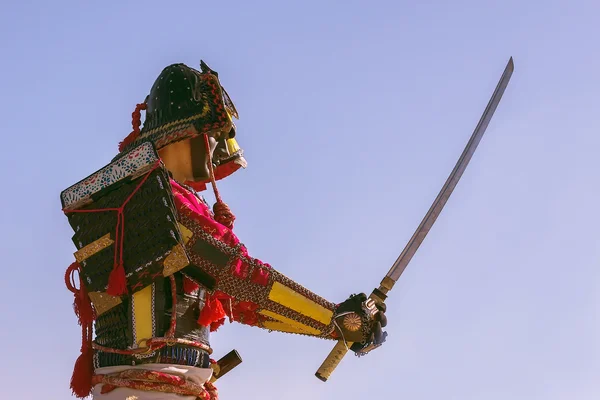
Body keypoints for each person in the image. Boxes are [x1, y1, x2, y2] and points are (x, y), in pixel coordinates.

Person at [61, 61, 388, 400]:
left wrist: (335, 326)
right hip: (150, 386)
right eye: (215, 135)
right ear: (186, 133)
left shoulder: (151, 192)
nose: (218, 146)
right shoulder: (155, 196)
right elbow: (236, 275)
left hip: (164, 383)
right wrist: (334, 321)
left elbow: (240, 301)